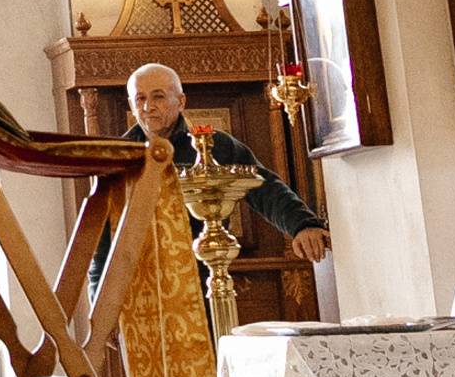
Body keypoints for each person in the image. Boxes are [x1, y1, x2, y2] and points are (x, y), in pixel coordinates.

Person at [118, 62, 330, 261]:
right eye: (140, 98)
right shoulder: (118, 156)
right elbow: (105, 230)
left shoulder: (214, 145)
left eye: (158, 97)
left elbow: (265, 188)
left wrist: (302, 225)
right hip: (137, 277)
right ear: (131, 104)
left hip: (199, 274)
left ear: (181, 101)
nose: (148, 107)